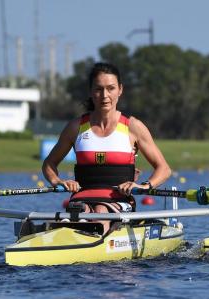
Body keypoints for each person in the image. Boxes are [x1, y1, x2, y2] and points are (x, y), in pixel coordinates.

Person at [42, 62, 171, 232]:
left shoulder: (133, 127)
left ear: (120, 90)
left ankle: (91, 247)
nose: (104, 95)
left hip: (119, 202)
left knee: (101, 211)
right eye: (98, 89)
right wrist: (57, 181)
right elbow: (49, 164)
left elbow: (164, 169)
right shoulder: (75, 127)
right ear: (91, 92)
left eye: (110, 88)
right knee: (82, 211)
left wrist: (145, 186)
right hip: (81, 200)